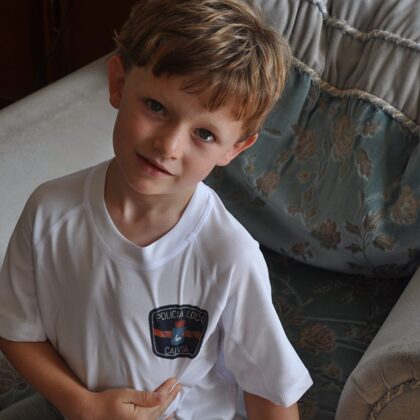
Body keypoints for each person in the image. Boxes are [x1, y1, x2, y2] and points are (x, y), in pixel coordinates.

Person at [0, 0, 312, 418]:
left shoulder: (229, 255)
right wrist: (83, 405)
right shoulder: (49, 212)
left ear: (235, 149)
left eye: (204, 134)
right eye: (156, 107)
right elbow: (17, 331)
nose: (169, 146)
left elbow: (271, 393)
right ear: (118, 83)